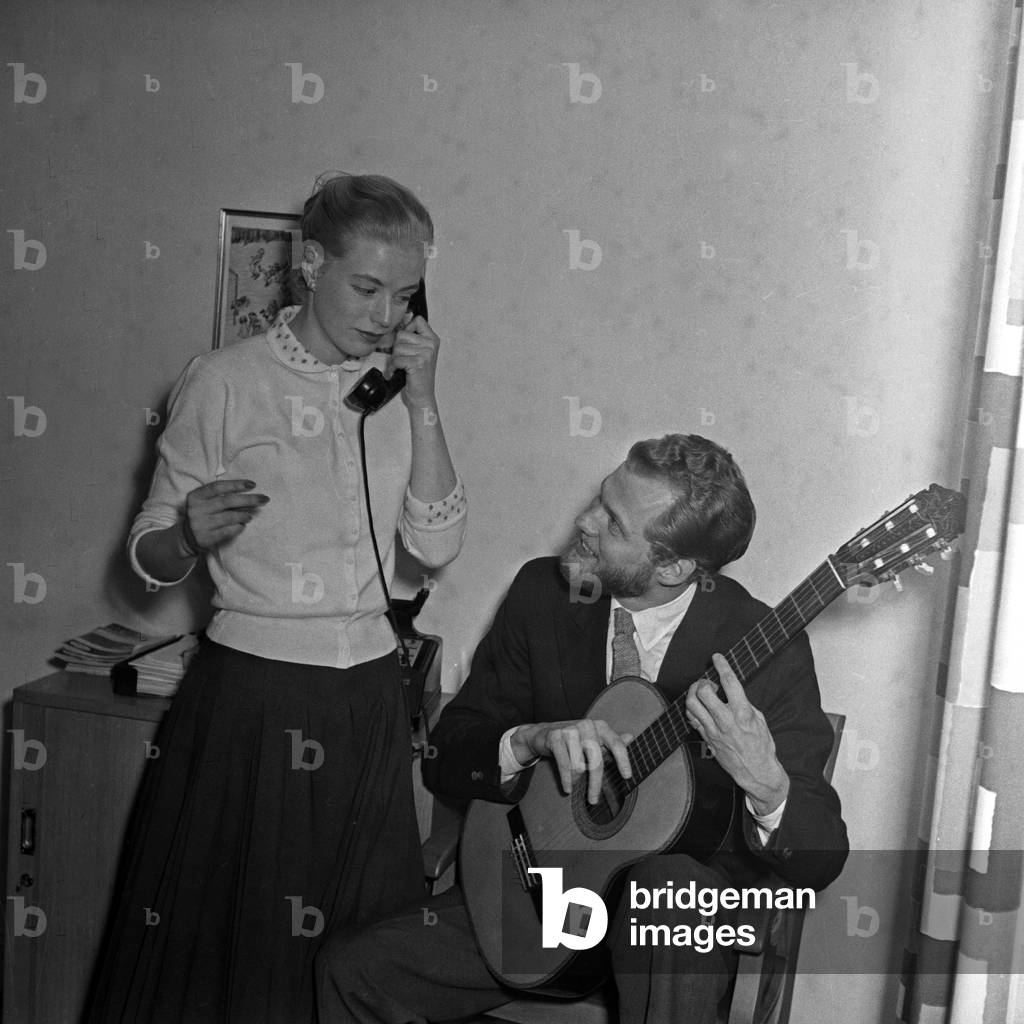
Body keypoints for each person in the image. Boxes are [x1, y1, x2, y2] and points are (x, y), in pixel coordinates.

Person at [87, 174, 467, 1024]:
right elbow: (146, 556)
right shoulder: (223, 382)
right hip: (254, 701)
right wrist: (186, 533)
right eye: (365, 287)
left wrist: (429, 401)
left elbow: (435, 547)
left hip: (367, 696)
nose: (382, 315)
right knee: (235, 952)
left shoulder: (401, 395)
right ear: (308, 265)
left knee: (362, 953)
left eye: (403, 295)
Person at [315, 434, 848, 1024]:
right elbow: (447, 752)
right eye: (600, 500)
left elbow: (821, 858)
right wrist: (527, 741)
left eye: (613, 523)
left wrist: (768, 789)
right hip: (527, 900)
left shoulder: (765, 647)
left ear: (671, 565)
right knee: (353, 968)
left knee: (669, 892)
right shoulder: (543, 594)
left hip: (662, 947)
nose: (584, 521)